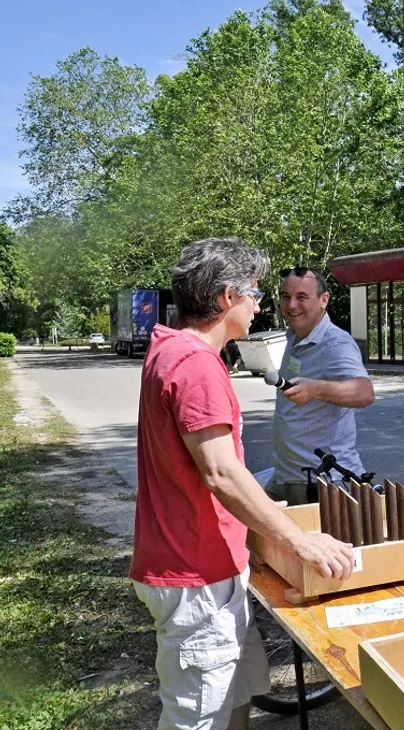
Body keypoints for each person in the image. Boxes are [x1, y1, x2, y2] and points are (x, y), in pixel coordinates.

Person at [130, 238, 354, 730]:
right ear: (227, 297)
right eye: (255, 293)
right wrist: (299, 539)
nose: (261, 305)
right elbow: (221, 471)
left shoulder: (173, 348)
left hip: (211, 566)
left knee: (235, 696)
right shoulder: (196, 364)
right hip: (195, 573)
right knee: (198, 717)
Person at [270, 267, 375, 506]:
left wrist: (315, 389)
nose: (292, 305)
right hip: (289, 475)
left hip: (322, 482)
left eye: (302, 297)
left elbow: (364, 392)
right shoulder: (294, 335)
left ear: (324, 299)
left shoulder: (335, 343)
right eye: (286, 297)